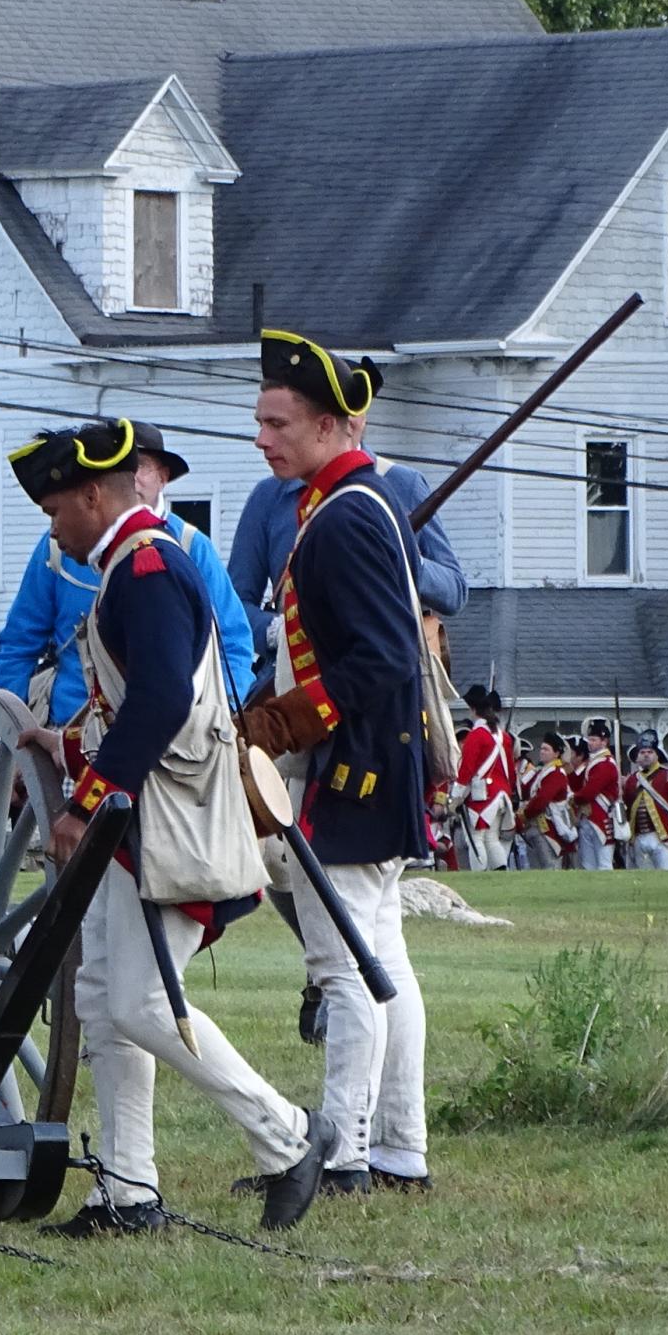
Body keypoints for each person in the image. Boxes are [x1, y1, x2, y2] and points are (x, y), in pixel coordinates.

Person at [10, 419, 333, 1238]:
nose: (52, 530)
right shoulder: (133, 564)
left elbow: (162, 702)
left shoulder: (147, 569)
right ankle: (127, 1191)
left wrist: (84, 803)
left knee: (143, 1004)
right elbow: (130, 701)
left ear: (92, 495)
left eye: (56, 510)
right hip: (145, 817)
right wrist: (69, 743)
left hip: (169, 820)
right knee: (102, 997)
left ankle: (287, 1137)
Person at [236, 329, 434, 1195]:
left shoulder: (348, 514)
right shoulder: (343, 502)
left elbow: (386, 657)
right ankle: (399, 1148)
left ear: (327, 425)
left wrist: (284, 721)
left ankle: (345, 1153)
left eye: (277, 421)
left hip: (350, 771)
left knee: (341, 965)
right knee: (381, 960)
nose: (262, 437)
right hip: (368, 768)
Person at [224, 366, 469, 696]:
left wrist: (399, 558)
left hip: (377, 682)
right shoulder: (267, 498)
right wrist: (276, 632)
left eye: (277, 424)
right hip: (289, 675)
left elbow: (454, 591)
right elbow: (235, 602)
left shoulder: (402, 484)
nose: (263, 439)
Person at [0, 423, 255, 719]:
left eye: (140, 466)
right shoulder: (57, 548)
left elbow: (233, 644)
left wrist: (215, 718)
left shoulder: (190, 547)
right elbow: (19, 643)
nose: (132, 478)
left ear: (163, 477)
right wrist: (15, 735)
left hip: (159, 733)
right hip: (68, 723)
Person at [452, 685, 514, 871]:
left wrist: (456, 796)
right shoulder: (504, 736)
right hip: (502, 793)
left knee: (476, 838)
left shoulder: (476, 735)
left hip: (484, 795)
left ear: (473, 709)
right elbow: (510, 770)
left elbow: (467, 769)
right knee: (491, 838)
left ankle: (479, 876)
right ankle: (500, 874)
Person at [621, 732, 668, 870]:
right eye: (642, 752)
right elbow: (627, 807)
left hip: (663, 837)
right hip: (639, 837)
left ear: (657, 755)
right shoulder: (632, 780)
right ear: (637, 757)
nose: (646, 755)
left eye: (650, 752)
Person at [515, 737, 572, 872]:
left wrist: (523, 816)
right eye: (541, 748)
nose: (542, 752)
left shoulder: (556, 773)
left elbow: (542, 800)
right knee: (536, 869)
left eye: (546, 749)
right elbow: (522, 790)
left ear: (556, 753)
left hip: (547, 828)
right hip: (534, 827)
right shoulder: (541, 771)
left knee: (549, 867)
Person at [572, 720, 622, 871]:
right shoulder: (595, 762)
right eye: (590, 739)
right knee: (588, 864)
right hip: (589, 818)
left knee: (604, 863)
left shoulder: (606, 763)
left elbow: (590, 791)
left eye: (594, 740)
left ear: (604, 741)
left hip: (601, 818)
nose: (590, 743)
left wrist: (573, 798)